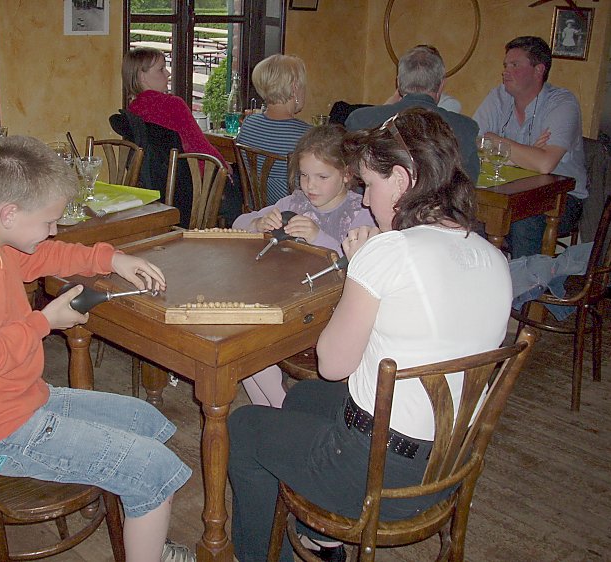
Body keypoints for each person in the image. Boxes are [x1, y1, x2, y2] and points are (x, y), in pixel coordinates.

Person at [228, 108, 512, 562]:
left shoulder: (388, 252)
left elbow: (333, 363)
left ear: (401, 180)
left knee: (242, 428)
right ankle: (322, 535)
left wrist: (363, 267)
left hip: (382, 470)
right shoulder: (491, 256)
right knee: (303, 401)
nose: (364, 201)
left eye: (371, 186)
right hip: (450, 462)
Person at [0, 136, 195, 562]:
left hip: (14, 402)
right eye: (48, 221)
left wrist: (111, 259)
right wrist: (43, 322)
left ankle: (144, 528)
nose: (52, 230)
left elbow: (41, 256)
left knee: (146, 419)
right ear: (10, 213)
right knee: (153, 469)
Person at [232, 125, 375, 408]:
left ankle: (284, 410)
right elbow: (237, 224)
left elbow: (359, 266)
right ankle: (279, 411)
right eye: (304, 176)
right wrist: (257, 224)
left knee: (249, 347)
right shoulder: (294, 202)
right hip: (291, 302)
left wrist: (317, 237)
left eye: (322, 177)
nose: (310, 186)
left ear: (347, 174)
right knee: (242, 345)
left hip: (333, 314)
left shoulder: (361, 214)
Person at [473, 36, 587, 258]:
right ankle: (486, 282)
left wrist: (496, 141)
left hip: (562, 198)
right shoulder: (498, 97)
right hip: (508, 192)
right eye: (505, 65)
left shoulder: (562, 103)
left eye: (514, 65)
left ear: (538, 70)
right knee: (467, 214)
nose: (505, 71)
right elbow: (474, 142)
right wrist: (528, 153)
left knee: (523, 222)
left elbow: (544, 164)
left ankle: (527, 289)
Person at [345, 45, 480, 182]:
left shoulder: (360, 120)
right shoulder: (466, 127)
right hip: (436, 202)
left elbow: (351, 179)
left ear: (398, 83)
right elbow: (469, 184)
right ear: (441, 85)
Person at [123, 47, 227, 167]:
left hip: (155, 178)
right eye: (161, 69)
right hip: (193, 179)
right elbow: (199, 145)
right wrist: (224, 166)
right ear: (142, 76)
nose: (168, 73)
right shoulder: (173, 105)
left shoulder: (133, 110)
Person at [236, 54, 312, 205]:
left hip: (257, 212)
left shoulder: (249, 123)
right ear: (295, 87)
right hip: (291, 214)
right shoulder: (307, 136)